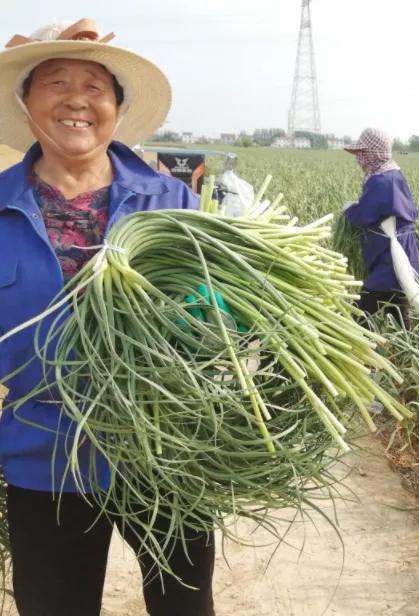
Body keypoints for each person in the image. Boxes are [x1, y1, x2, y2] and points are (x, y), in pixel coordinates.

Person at [0, 19, 214, 616]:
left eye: (96, 86)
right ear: (26, 105)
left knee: (185, 609)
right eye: (55, 82)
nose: (76, 99)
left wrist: (216, 315)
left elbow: (226, 315)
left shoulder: (173, 205)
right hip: (45, 454)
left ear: (117, 107)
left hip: (166, 449)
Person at [343, 128, 419, 328]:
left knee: (361, 311)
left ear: (374, 152)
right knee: (397, 307)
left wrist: (349, 209)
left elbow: (364, 216)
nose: (359, 159)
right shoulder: (392, 174)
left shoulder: (382, 180)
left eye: (362, 153)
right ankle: (407, 353)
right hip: (401, 252)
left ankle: (358, 347)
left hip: (392, 258)